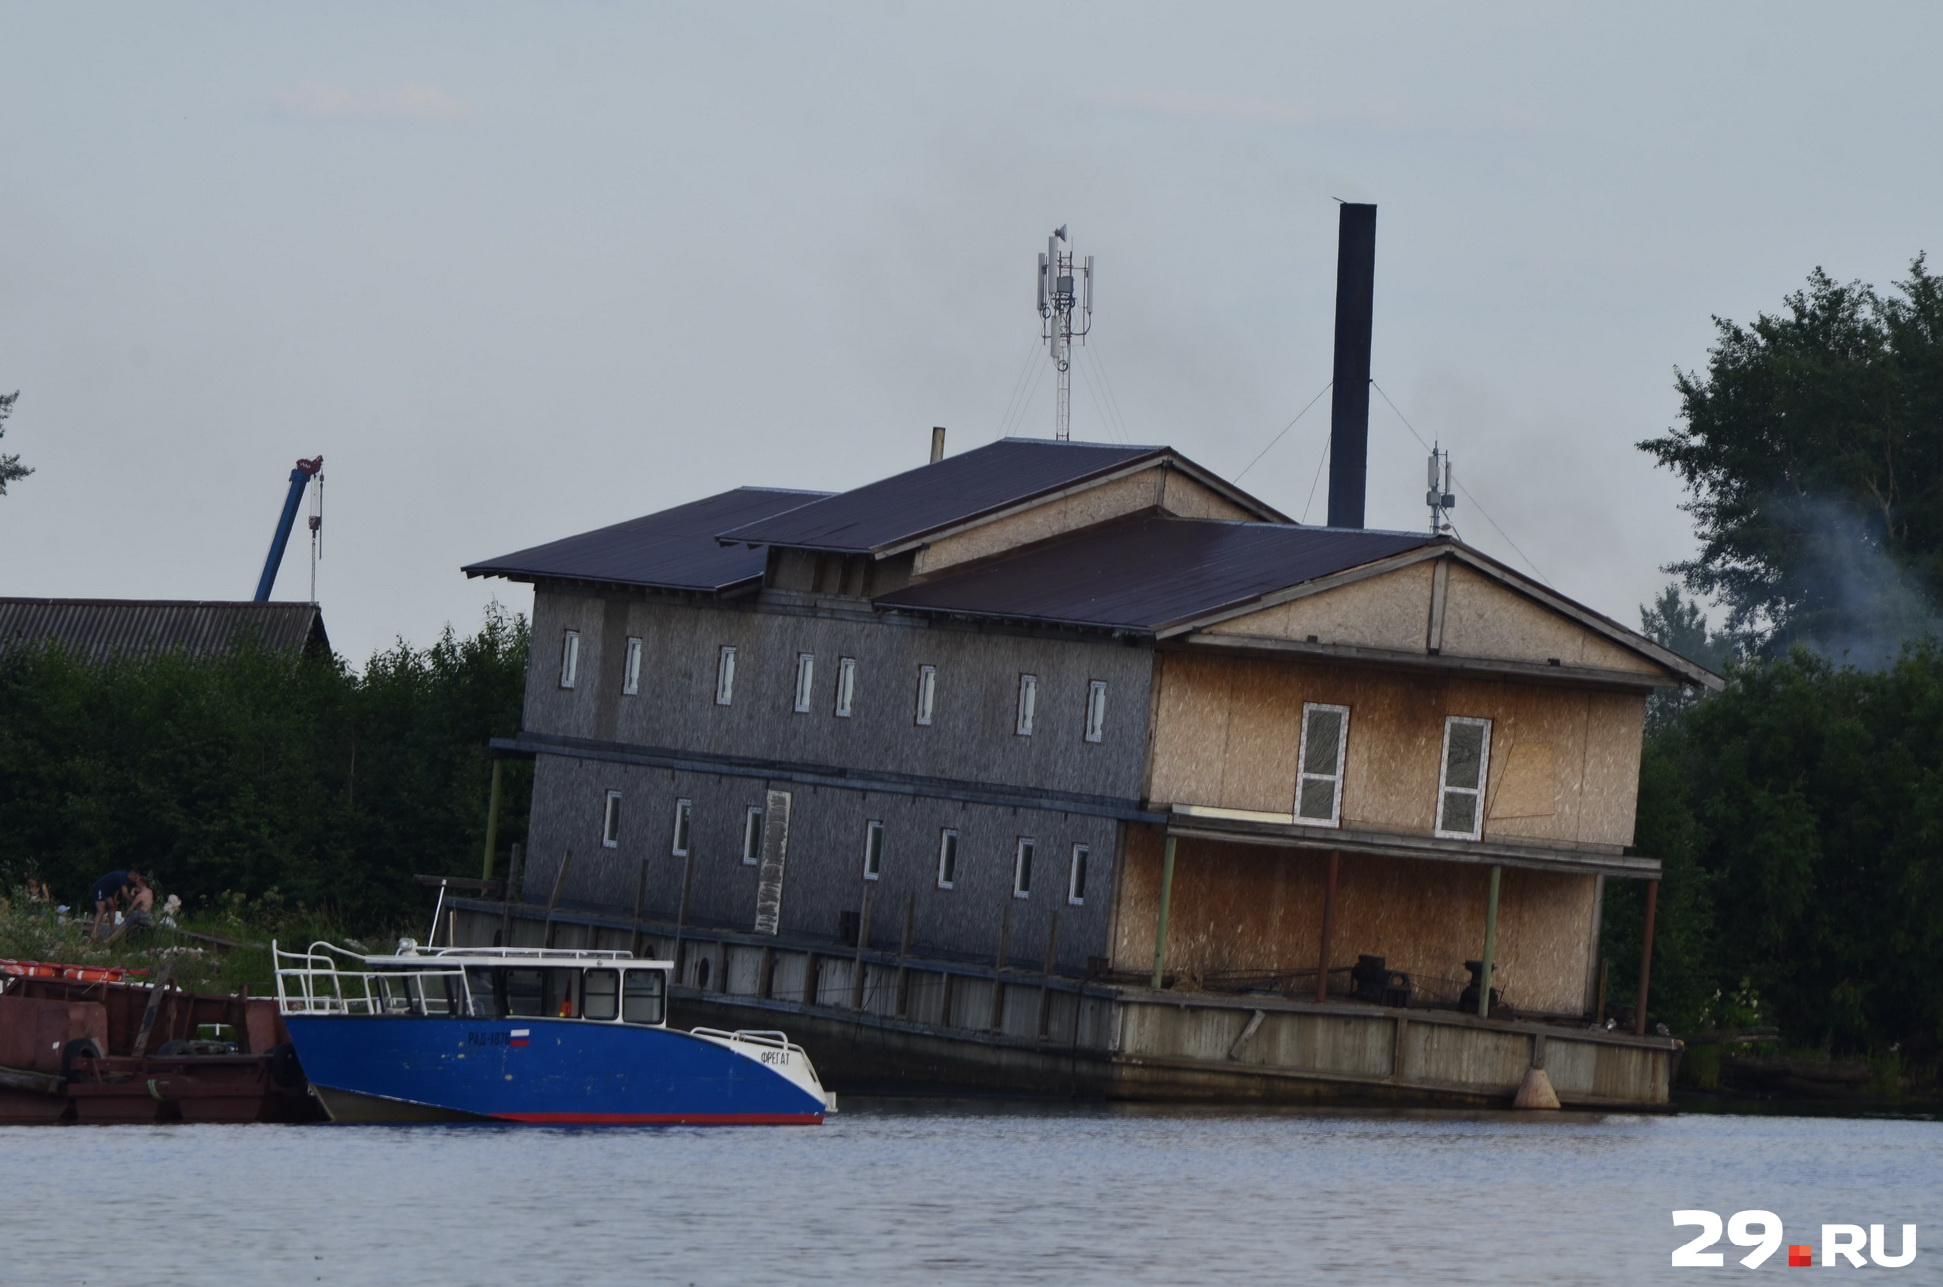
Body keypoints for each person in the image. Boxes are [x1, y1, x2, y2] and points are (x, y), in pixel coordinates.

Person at [88, 870, 140, 941]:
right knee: (101, 910)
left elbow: (117, 888)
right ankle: (94, 932)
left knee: (113, 907)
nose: (135, 881)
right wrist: (134, 902)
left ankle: (112, 929)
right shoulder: (123, 877)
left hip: (108, 891)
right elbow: (125, 894)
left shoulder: (126, 879)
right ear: (132, 875)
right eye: (135, 878)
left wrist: (115, 899)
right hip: (99, 888)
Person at [105, 873, 155, 944]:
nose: (135, 883)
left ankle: (110, 940)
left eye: (137, 882)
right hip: (149, 914)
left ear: (140, 883)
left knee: (125, 923)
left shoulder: (140, 896)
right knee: (131, 918)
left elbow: (132, 907)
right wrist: (133, 891)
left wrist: (125, 916)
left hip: (141, 914)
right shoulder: (150, 892)